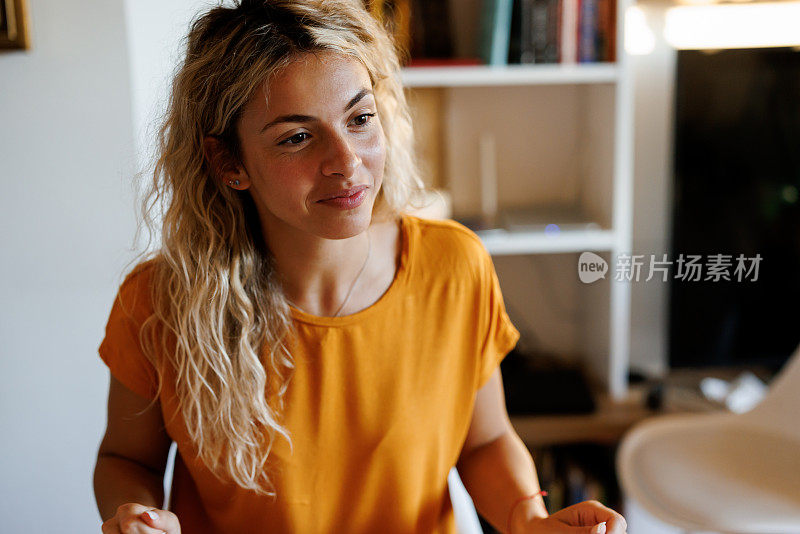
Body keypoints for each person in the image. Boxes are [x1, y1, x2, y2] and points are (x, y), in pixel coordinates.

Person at [93, 1, 629, 533]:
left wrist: (525, 517)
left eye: (360, 119)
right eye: (296, 137)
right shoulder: (158, 302)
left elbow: (485, 440)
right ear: (228, 163)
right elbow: (126, 461)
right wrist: (134, 515)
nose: (346, 162)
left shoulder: (453, 266)